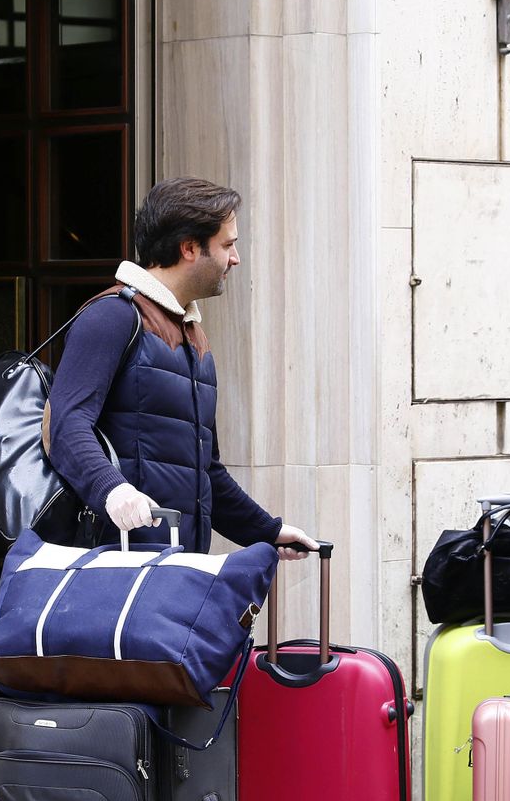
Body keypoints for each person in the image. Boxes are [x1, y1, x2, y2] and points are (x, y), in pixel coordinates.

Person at [45, 176, 316, 561]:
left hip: (175, 571)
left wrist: (267, 531)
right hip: (113, 570)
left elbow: (206, 473)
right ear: (189, 247)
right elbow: (66, 425)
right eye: (227, 245)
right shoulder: (111, 316)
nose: (235, 259)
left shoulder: (195, 338)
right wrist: (114, 491)